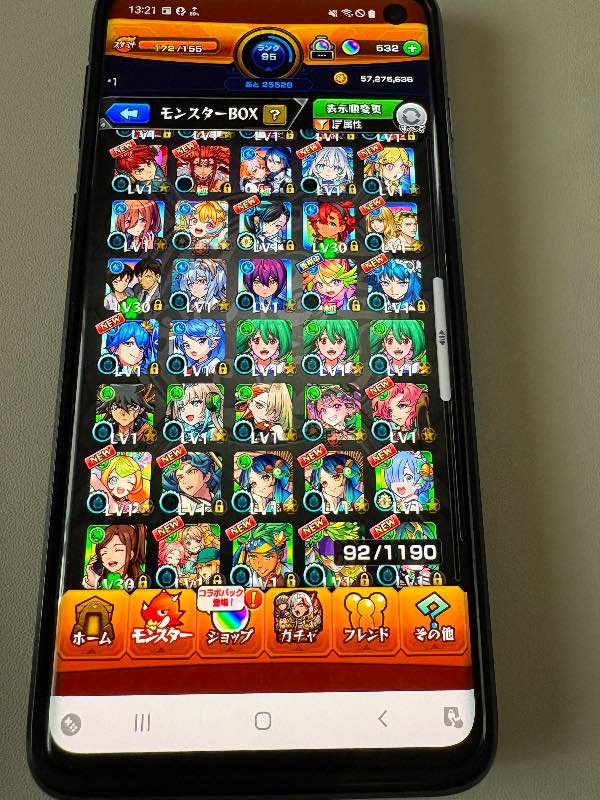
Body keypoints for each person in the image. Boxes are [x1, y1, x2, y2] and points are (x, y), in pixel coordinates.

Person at [83, 523, 145, 590]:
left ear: (131, 554)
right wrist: (92, 581)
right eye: (104, 552)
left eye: (117, 550)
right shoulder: (101, 579)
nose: (110, 557)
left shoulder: (141, 581)